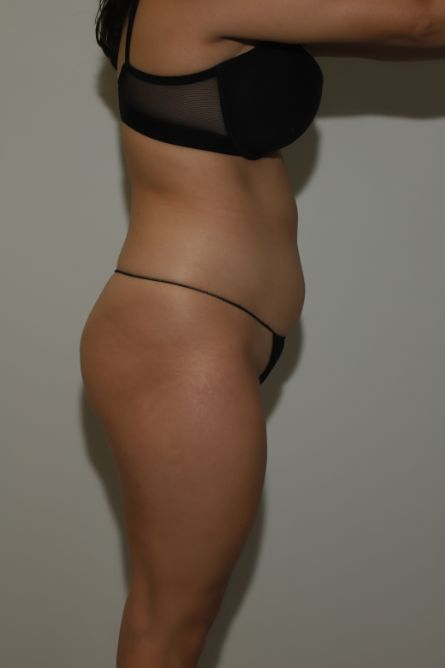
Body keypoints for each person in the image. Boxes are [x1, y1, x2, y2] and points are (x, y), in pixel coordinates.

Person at [80, 1, 443, 666]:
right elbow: (421, 20)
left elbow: (398, 34)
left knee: (180, 615)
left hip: (205, 332)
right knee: (172, 619)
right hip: (180, 332)